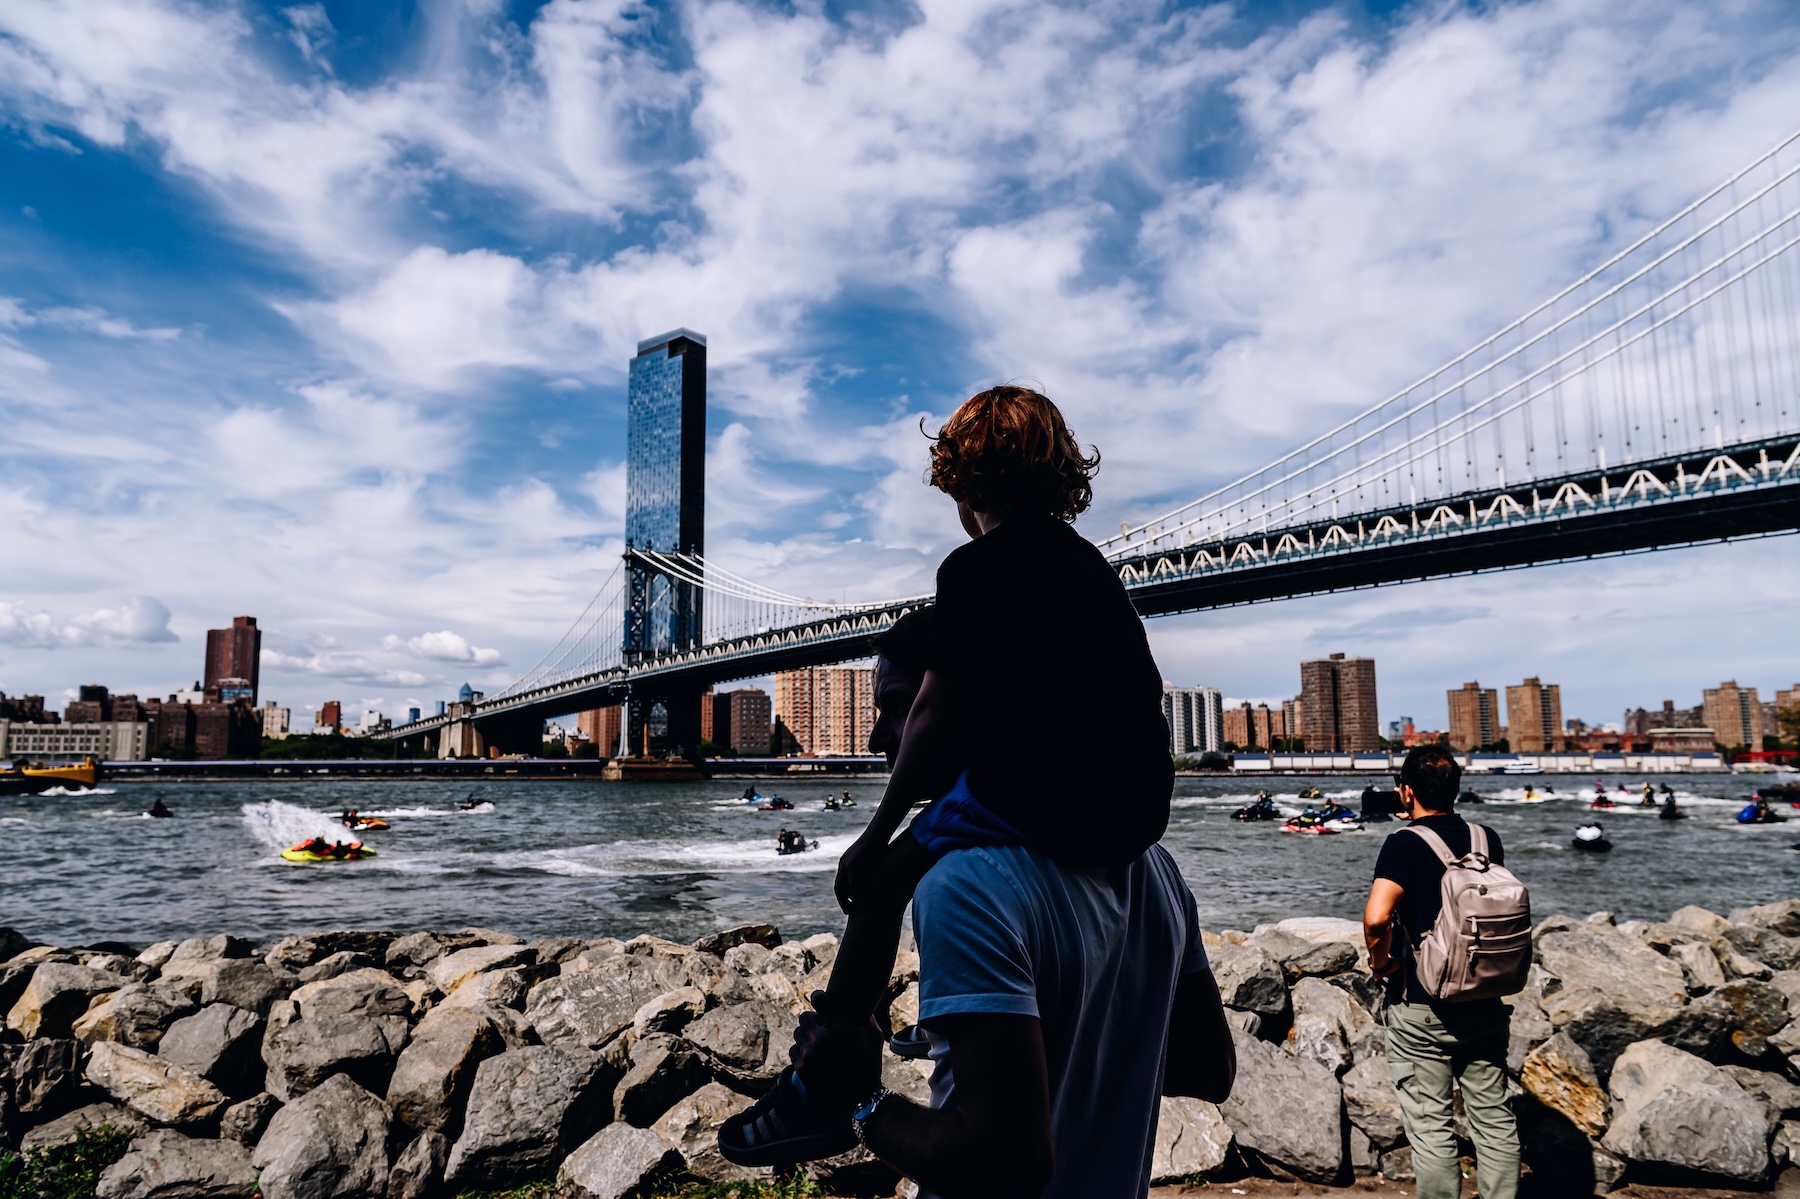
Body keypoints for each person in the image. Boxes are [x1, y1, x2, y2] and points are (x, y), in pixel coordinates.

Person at [721, 386, 1174, 1166]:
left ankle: (822, 1083)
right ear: (1066, 474)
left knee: (885, 879)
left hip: (1045, 798)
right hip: (1137, 810)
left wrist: (875, 834)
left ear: (960, 483)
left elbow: (932, 713)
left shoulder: (974, 568)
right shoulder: (1096, 572)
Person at [767, 604, 1234, 1197]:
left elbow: (1004, 1166)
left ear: (965, 706)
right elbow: (1208, 1070)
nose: (876, 736)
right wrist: (1073, 1053)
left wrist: (856, 1099)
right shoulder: (1156, 869)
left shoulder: (966, 884)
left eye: (896, 707)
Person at [1363, 745, 1521, 1199]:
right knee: (1493, 1117)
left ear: (1406, 791)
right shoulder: (1485, 838)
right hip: (1485, 997)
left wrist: (1382, 962)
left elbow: (1376, 917)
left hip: (1423, 1005)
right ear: (1455, 790)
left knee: (1432, 1126)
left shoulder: (1403, 843)